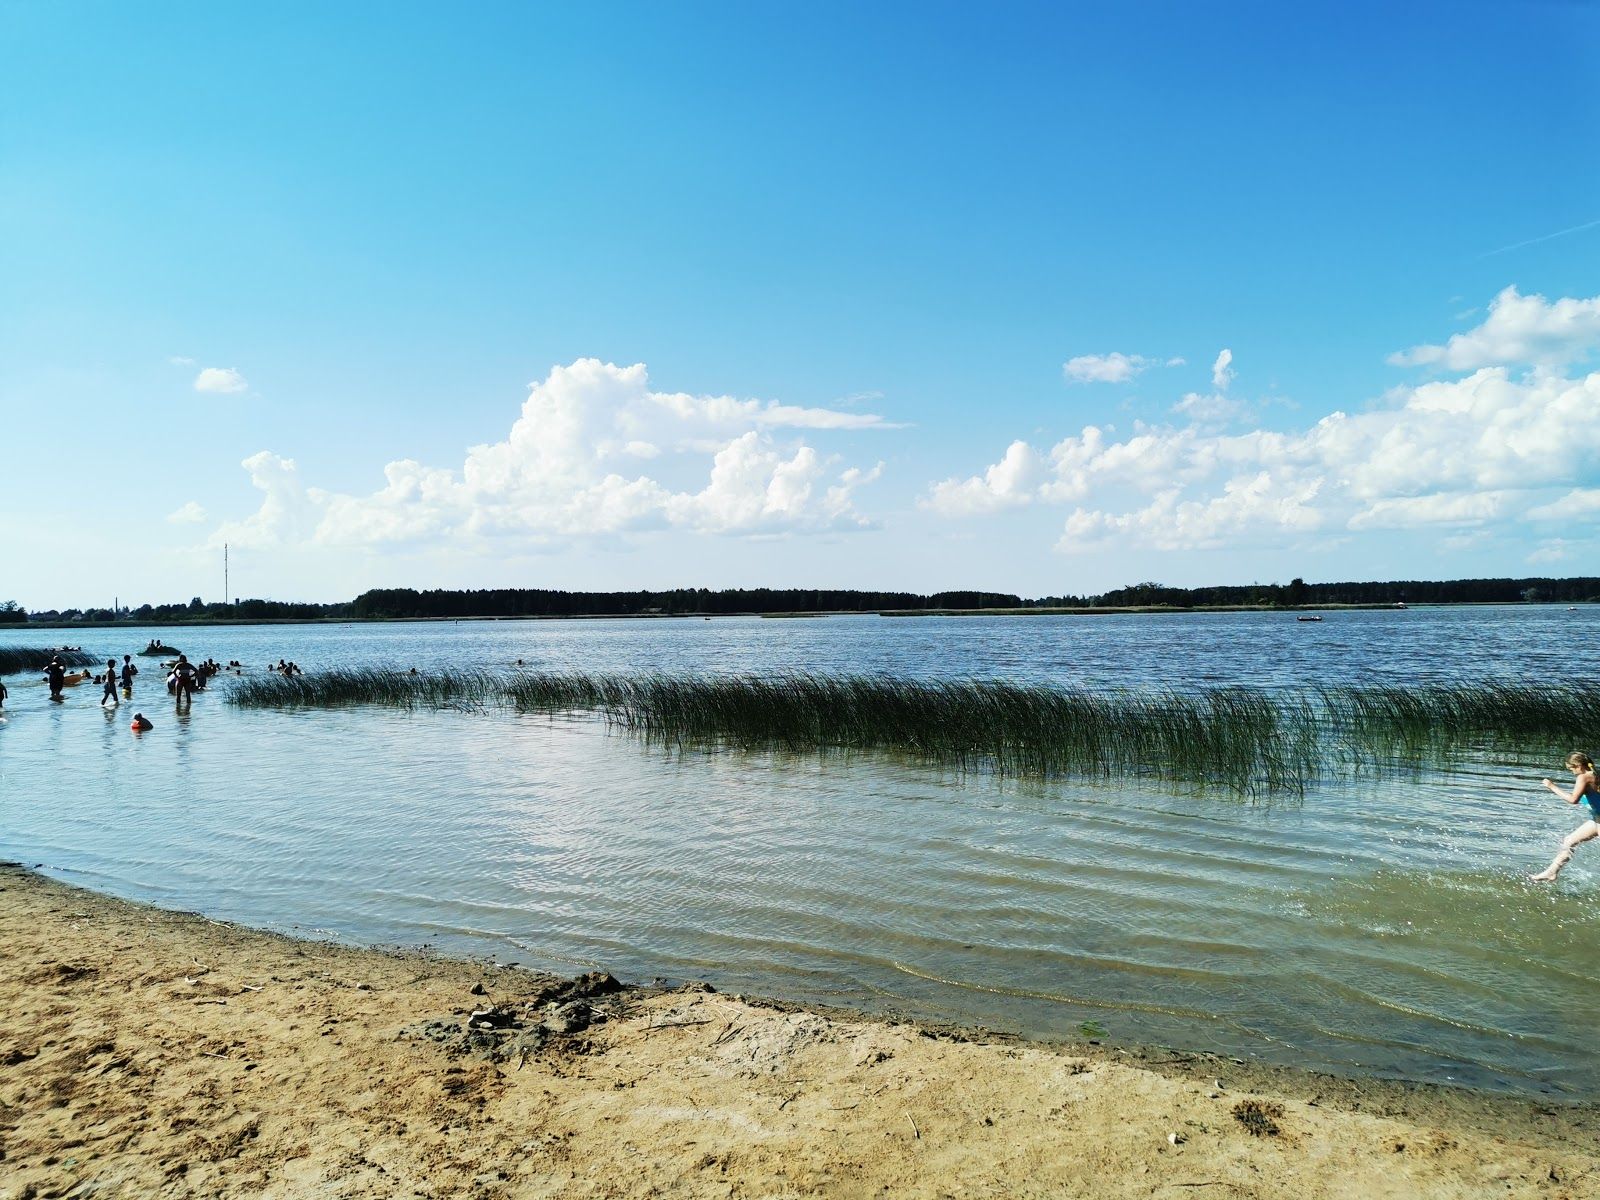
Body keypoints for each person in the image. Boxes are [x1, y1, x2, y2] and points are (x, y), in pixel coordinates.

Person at [1529, 751, 1600, 882]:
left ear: (1578, 766)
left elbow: (1573, 799)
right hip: (1596, 821)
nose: (1572, 773)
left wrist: (1552, 786)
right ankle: (1551, 872)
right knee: (1569, 842)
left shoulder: (1583, 777)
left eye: (1571, 769)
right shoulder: (1595, 774)